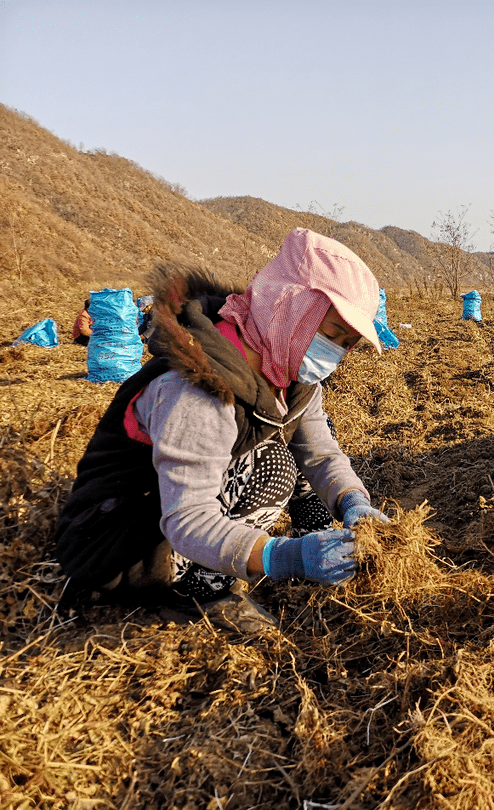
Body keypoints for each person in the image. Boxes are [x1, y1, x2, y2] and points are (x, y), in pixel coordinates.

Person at [53, 228, 390, 632]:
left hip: (164, 518)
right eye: (331, 332)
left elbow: (321, 453)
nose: (335, 351)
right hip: (119, 545)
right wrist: (283, 557)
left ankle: (314, 539)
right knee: (272, 464)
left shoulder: (290, 373)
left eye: (346, 342)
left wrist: (355, 503)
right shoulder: (196, 388)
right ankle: (199, 592)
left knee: (295, 441)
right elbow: (189, 517)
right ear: (290, 308)